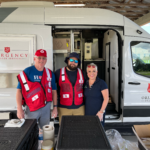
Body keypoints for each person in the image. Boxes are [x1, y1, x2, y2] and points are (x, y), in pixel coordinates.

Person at [16, 49, 57, 129]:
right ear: (34, 59)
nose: (41, 60)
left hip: (46, 107)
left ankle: (42, 142)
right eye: (39, 58)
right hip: (32, 108)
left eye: (44, 58)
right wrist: (19, 109)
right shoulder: (27, 71)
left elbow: (54, 92)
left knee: (45, 130)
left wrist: (55, 107)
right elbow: (19, 91)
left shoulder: (49, 73)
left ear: (46, 60)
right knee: (29, 130)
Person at [55, 52, 86, 124]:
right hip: (63, 108)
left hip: (80, 108)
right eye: (71, 60)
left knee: (79, 129)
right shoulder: (58, 72)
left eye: (76, 61)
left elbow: (86, 87)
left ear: (78, 63)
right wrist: (54, 106)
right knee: (65, 130)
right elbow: (52, 89)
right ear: (67, 60)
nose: (73, 63)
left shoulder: (82, 73)